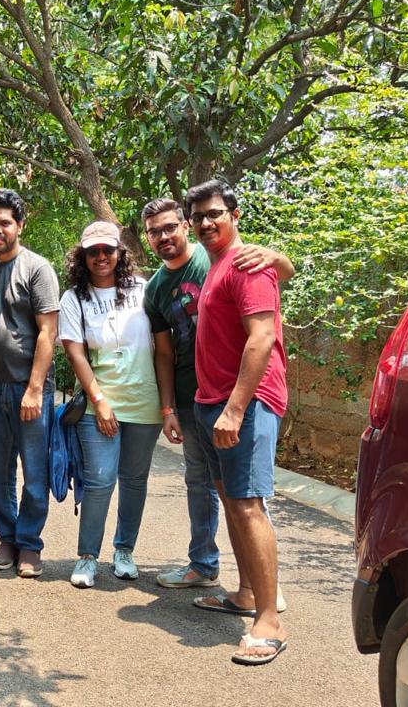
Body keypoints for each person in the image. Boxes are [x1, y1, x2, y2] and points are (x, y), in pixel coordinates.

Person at [143, 198, 294, 604]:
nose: (163, 236)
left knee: (247, 497)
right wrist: (168, 408)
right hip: (198, 398)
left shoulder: (222, 257)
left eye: (170, 226)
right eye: (154, 231)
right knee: (212, 487)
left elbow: (274, 282)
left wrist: (279, 258)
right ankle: (212, 569)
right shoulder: (158, 287)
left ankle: (266, 594)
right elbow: (163, 352)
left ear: (184, 227)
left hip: (239, 395)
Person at [187, 179, 290, 666]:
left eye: (215, 213)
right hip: (213, 402)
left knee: (248, 505)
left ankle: (269, 621)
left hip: (244, 405)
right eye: (198, 217)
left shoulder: (248, 264)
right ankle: (247, 594)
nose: (206, 223)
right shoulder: (218, 264)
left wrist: (234, 408)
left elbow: (262, 336)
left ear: (234, 213)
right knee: (232, 501)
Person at [58, 222, 175, 588]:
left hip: (144, 402)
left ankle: (124, 550)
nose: (101, 257)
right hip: (100, 404)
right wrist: (100, 401)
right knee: (99, 479)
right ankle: (87, 557)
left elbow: (164, 350)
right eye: (93, 252)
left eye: (107, 250)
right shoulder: (74, 298)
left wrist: (167, 407)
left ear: (119, 253)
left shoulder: (144, 290)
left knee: (135, 479)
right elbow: (75, 354)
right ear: (82, 257)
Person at [0, 188, 59, 578]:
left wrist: (35, 389)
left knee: (35, 473)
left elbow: (47, 332)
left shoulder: (37, 268)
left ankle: (30, 544)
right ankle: (7, 539)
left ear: (20, 225)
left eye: (5, 222)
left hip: (29, 387)